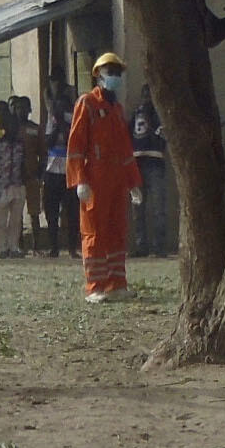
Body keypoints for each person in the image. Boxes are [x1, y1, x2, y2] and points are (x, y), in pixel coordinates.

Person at [67, 53, 140, 302]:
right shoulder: (86, 103)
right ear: (98, 74)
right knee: (94, 232)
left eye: (118, 72)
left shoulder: (117, 109)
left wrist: (133, 183)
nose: (115, 76)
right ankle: (95, 286)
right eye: (110, 71)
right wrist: (80, 180)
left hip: (117, 179)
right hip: (95, 178)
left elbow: (125, 149)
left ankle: (116, 283)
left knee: (117, 230)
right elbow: (76, 144)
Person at [130, 86, 170, 258]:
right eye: (144, 95)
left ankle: (159, 246)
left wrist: (151, 120)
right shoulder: (135, 115)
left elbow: (162, 140)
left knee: (158, 208)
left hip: (155, 163)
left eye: (149, 95)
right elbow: (128, 136)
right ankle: (141, 246)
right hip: (137, 163)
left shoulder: (160, 114)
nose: (146, 99)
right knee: (138, 207)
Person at [40, 80, 77, 257]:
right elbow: (47, 142)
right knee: (51, 212)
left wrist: (63, 124)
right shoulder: (52, 120)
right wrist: (57, 126)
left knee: (71, 213)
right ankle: (54, 247)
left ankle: (71, 248)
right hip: (52, 171)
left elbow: (75, 141)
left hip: (69, 171)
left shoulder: (74, 119)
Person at [0, 96, 31, 259]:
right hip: (2, 184)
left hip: (18, 183)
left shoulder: (20, 143)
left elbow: (23, 163)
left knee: (16, 219)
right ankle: (1, 248)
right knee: (1, 220)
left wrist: (24, 179)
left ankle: (13, 247)